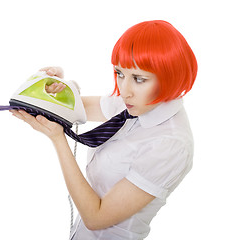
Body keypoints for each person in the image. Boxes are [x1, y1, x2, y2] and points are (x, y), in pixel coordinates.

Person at [10, 20, 197, 240]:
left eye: (139, 78)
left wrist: (58, 140)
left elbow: (96, 217)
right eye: (119, 73)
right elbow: (76, 107)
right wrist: (60, 86)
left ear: (170, 76)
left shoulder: (170, 144)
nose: (124, 90)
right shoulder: (135, 103)